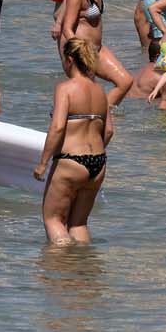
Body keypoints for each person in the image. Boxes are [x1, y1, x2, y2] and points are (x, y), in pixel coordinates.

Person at [35, 38, 111, 244]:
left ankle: (60, 270)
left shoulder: (65, 88)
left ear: (69, 60)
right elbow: (109, 130)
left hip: (71, 161)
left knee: (53, 220)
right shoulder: (100, 91)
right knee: (78, 224)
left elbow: (58, 127)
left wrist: (43, 163)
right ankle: (83, 271)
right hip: (98, 163)